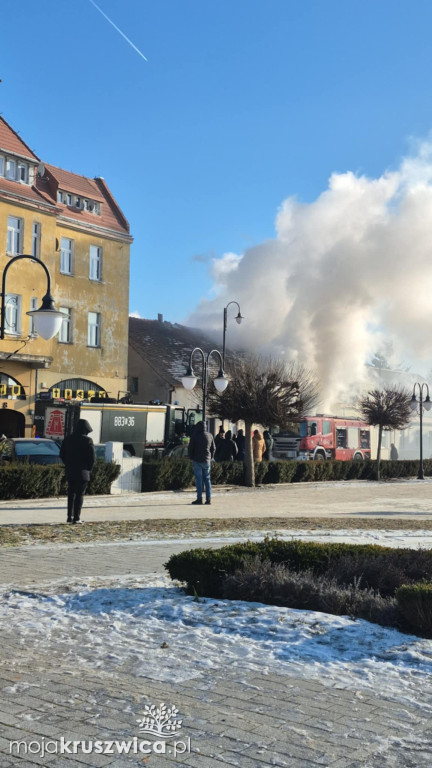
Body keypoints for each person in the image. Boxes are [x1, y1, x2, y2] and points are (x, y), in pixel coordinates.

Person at [60, 419, 96, 524]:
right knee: (79, 494)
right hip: (83, 472)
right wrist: (88, 468)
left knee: (71, 494)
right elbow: (92, 458)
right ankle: (76, 517)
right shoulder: (88, 441)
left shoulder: (67, 439)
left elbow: (62, 454)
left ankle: (69, 517)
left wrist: (68, 464)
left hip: (70, 471)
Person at [188, 421, 216, 505]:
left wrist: (191, 457)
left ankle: (199, 499)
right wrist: (210, 457)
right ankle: (208, 499)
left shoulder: (195, 436)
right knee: (207, 480)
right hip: (207, 460)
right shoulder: (210, 435)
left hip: (197, 460)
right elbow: (213, 448)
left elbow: (190, 448)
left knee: (199, 480)